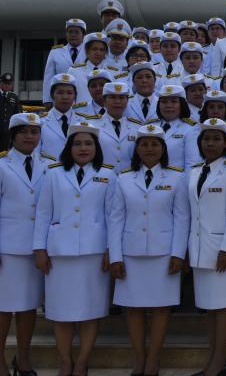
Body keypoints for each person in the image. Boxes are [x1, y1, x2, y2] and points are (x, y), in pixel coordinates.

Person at [33, 121, 116, 376]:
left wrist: (111, 250)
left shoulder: (108, 174)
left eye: (88, 143)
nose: (83, 148)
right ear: (69, 147)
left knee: (91, 311)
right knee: (61, 312)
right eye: (77, 143)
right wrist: (39, 248)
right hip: (60, 253)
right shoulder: (53, 173)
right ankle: (65, 361)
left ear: (96, 147)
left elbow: (112, 217)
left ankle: (82, 362)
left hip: (94, 253)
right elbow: (43, 213)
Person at [108, 124, 189, 376]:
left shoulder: (177, 177)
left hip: (164, 253)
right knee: (132, 308)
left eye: (155, 144)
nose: (149, 149)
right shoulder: (123, 178)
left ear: (163, 148)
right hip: (130, 253)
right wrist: (115, 256)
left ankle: (153, 359)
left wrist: (178, 253)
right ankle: (139, 359)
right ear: (137, 149)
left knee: (161, 308)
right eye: (144, 144)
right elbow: (116, 219)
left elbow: (182, 218)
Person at [187, 118, 226, 376]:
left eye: (216, 139)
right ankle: (213, 357)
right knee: (208, 307)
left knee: (222, 307)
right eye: (206, 139)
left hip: (219, 249)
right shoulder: (195, 170)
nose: (210, 143)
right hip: (199, 248)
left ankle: (219, 360)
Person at [0, 113, 52, 376]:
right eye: (23, 131)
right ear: (13, 135)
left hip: (37, 247)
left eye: (34, 132)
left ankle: (23, 358)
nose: (29, 137)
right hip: (7, 248)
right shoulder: (2, 164)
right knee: (3, 307)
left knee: (29, 307)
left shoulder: (49, 165)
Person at [43, 18, 87, 109]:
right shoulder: (56, 52)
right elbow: (48, 77)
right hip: (62, 97)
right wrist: (47, 100)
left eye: (77, 32)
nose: (73, 35)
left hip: (84, 97)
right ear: (66, 34)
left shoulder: (89, 52)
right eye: (70, 32)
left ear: (83, 35)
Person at [40, 73, 79, 160]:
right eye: (60, 92)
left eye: (69, 93)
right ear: (52, 95)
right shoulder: (40, 123)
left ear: (75, 96)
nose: (65, 97)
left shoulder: (84, 122)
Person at [0, 73, 21, 151]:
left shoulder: (14, 97)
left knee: (5, 154)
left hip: (7, 133)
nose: (7, 86)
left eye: (9, 84)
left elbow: (17, 115)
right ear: (1, 83)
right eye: (5, 83)